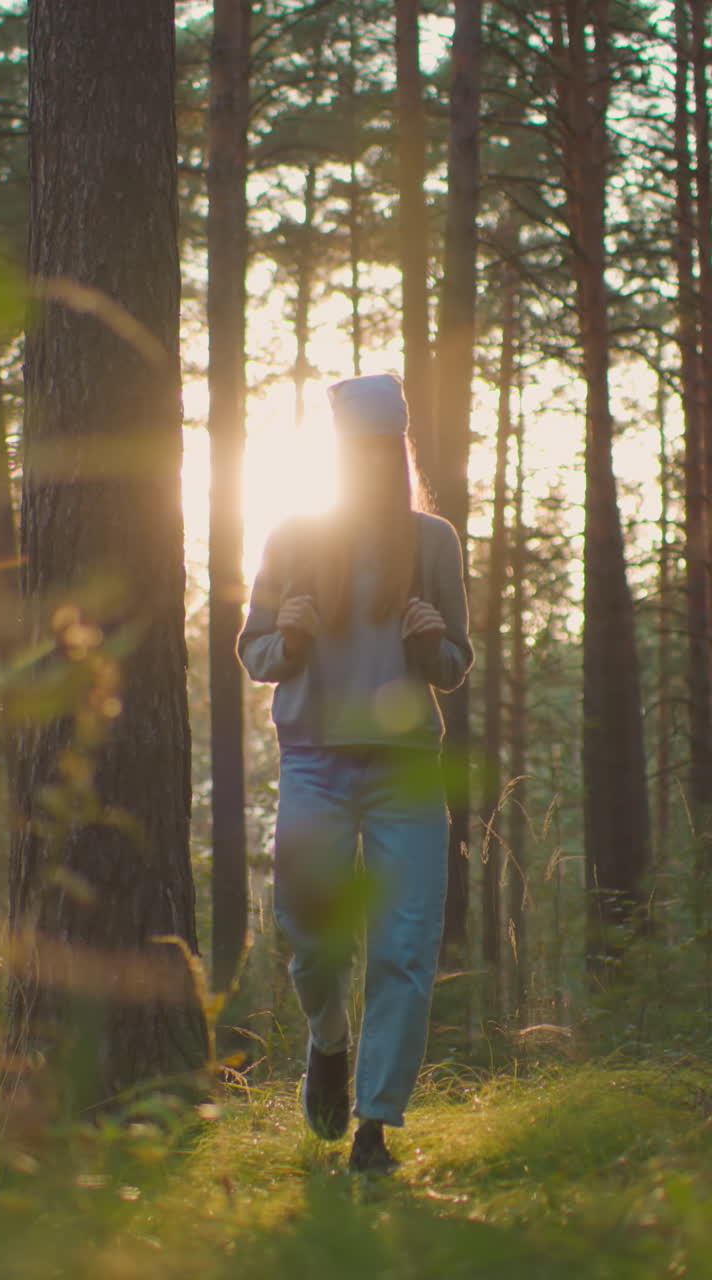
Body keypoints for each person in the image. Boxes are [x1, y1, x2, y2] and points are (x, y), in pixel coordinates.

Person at [237, 372, 473, 1173]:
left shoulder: (433, 540)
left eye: (381, 448)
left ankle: (374, 1124)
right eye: (354, 449)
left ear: (396, 450)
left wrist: (429, 640)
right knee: (311, 940)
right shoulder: (293, 535)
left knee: (405, 947)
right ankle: (329, 1044)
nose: (368, 463)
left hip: (408, 772)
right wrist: (291, 640)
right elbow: (255, 653)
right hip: (314, 760)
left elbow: (453, 665)